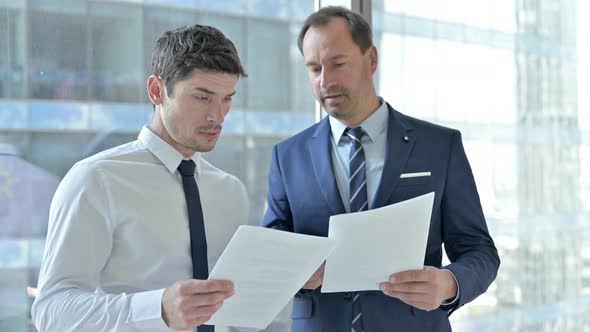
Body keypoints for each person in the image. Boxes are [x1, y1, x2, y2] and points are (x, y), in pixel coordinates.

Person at [262, 6, 500, 332]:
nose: (325, 81)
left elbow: (479, 251)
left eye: (338, 64)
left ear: (371, 59)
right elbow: (272, 252)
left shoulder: (439, 146)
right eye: (314, 68)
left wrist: (448, 284)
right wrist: (294, 269)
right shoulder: (286, 156)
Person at [32, 25, 249, 332]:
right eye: (202, 97)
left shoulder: (231, 191)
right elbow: (52, 312)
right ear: (157, 91)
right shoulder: (96, 179)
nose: (219, 116)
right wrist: (157, 310)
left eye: (227, 99)